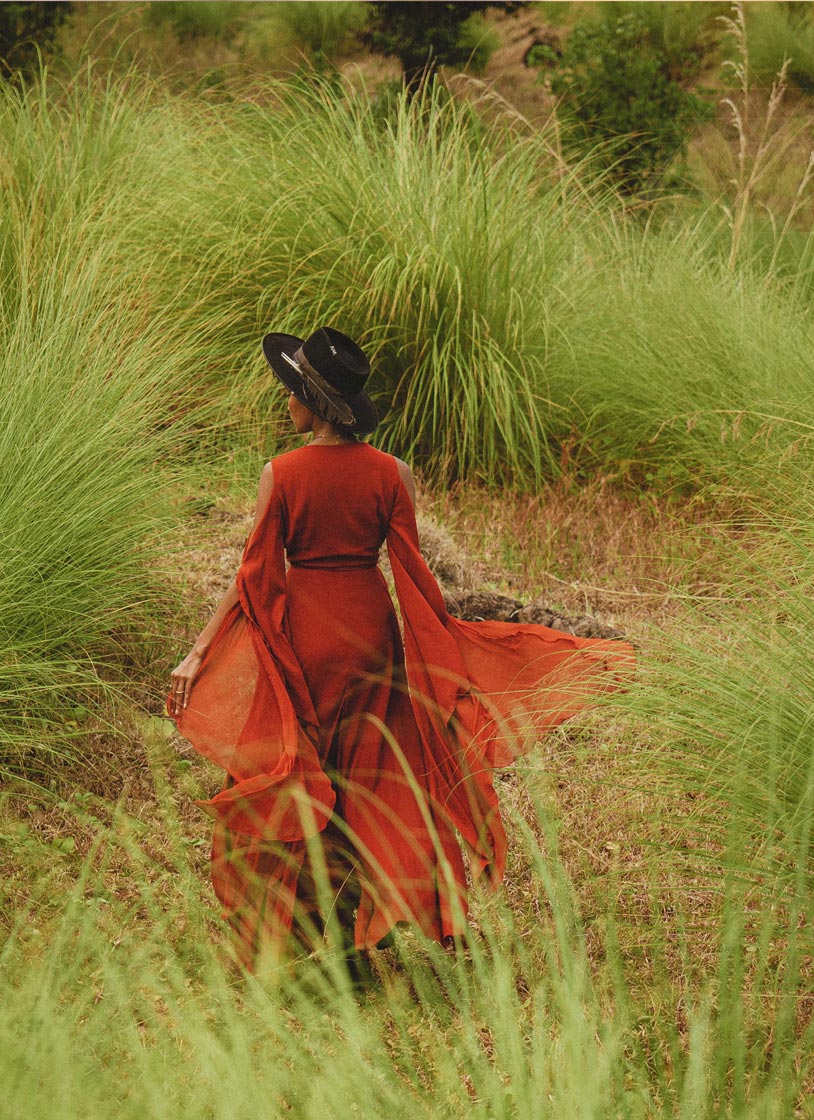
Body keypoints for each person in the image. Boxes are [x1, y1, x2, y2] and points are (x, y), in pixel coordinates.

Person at [166, 325, 630, 971]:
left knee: (306, 774)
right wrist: (442, 648)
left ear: (312, 402)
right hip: (371, 634)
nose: (286, 401)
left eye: (292, 391)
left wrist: (200, 650)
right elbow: (412, 574)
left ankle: (300, 933)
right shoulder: (393, 474)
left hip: (307, 634)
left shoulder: (281, 474)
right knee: (370, 781)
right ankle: (359, 927)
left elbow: (254, 577)